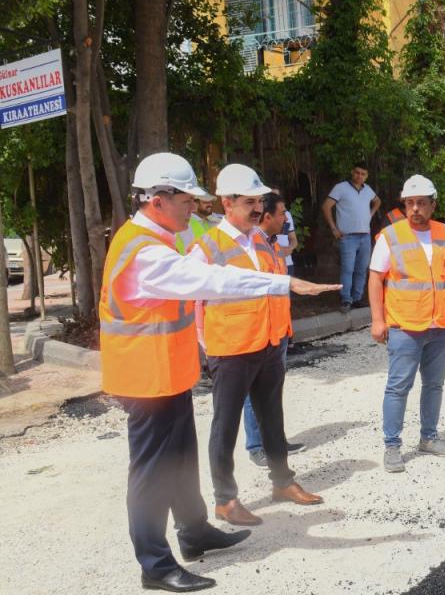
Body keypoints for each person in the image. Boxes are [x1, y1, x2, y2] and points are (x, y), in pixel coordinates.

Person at [101, 153, 336, 592]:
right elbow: (214, 281)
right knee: (153, 472)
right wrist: (284, 283)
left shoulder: (155, 237)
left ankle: (194, 532)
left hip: (167, 374)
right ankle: (155, 565)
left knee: (182, 459)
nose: (194, 209)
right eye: (187, 200)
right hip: (144, 379)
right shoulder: (144, 251)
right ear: (157, 199)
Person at [190, 165, 326, 529]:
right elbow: (191, 299)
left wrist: (282, 334)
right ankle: (225, 500)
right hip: (230, 348)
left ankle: (282, 482)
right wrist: (203, 345)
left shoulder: (261, 240)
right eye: (249, 201)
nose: (256, 208)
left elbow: (272, 286)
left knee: (272, 417)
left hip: (268, 343)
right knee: (226, 424)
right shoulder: (207, 246)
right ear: (226, 202)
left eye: (258, 201)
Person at [368, 175, 445, 473]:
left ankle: (429, 437)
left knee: (434, 384)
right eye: (409, 203)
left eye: (421, 203)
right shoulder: (391, 236)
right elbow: (375, 277)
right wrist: (377, 319)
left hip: (440, 325)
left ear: (433, 205)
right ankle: (392, 446)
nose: (414, 209)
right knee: (398, 387)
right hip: (405, 326)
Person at [241, 191, 306, 469]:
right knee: (252, 391)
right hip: (257, 332)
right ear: (267, 217)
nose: (285, 218)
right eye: (281, 214)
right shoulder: (250, 247)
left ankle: (274, 441)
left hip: (277, 330)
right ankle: (256, 445)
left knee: (272, 392)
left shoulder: (272, 244)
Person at [322, 163, 380, 312]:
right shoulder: (341, 187)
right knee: (348, 269)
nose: (360, 176)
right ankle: (346, 299)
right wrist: (333, 228)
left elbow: (377, 201)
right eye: (357, 173)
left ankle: (357, 298)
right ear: (352, 172)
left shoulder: (367, 189)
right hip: (348, 237)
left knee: (361, 269)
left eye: (363, 174)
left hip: (365, 236)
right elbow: (326, 206)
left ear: (366, 176)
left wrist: (371, 214)